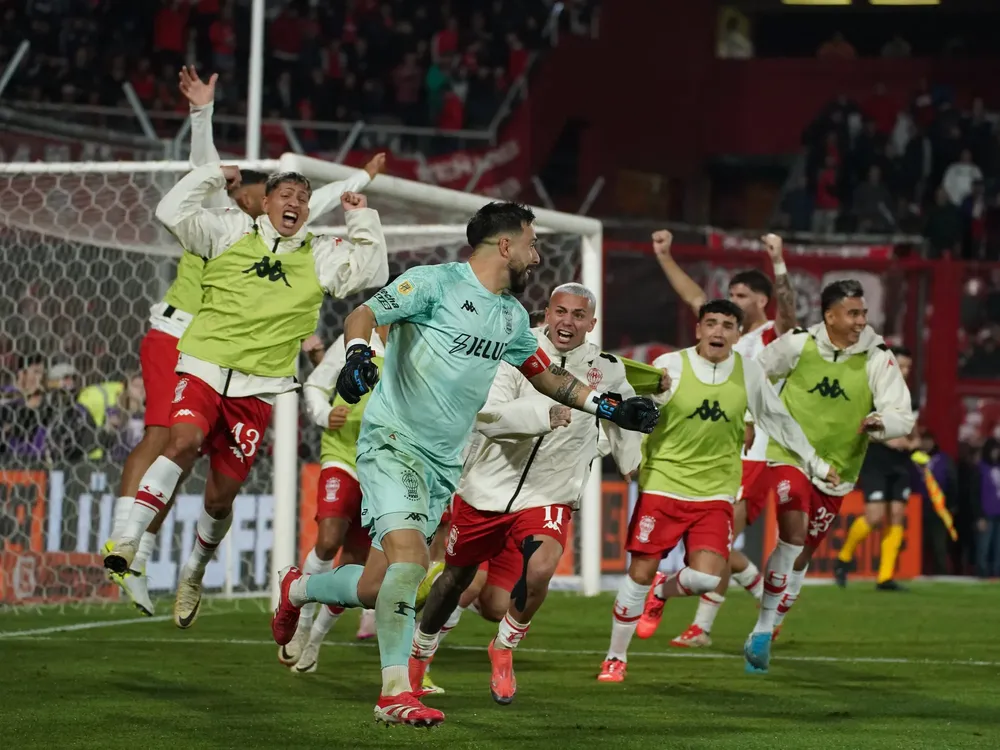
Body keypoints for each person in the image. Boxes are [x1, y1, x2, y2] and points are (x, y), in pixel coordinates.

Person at [269, 201, 659, 727]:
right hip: (393, 444)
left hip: (443, 464)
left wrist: (609, 407)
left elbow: (548, 377)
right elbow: (364, 314)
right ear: (506, 245)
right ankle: (394, 694)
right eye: (532, 244)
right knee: (411, 565)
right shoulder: (434, 284)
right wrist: (358, 354)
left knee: (375, 587)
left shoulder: (511, 315)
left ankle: (297, 588)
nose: (536, 256)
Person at [103, 66, 384, 618]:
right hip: (190, 342)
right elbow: (201, 171)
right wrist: (202, 115)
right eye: (273, 192)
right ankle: (129, 544)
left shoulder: (305, 244)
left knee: (218, 492)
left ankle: (188, 567)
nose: (284, 201)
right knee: (171, 438)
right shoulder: (222, 222)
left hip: (256, 377)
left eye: (296, 197)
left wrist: (360, 187)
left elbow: (324, 206)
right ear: (254, 196)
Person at [408, 282, 657, 705]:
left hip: (549, 492)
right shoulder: (514, 351)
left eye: (578, 315)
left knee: (541, 570)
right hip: (487, 488)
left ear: (591, 323)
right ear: (547, 313)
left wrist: (629, 456)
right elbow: (489, 415)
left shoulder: (608, 369)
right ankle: (419, 654)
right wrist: (546, 413)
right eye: (560, 311)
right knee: (456, 582)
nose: (567, 321)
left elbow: (624, 412)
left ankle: (504, 647)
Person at [597, 300, 835, 683]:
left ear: (738, 335)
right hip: (664, 484)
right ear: (698, 330)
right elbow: (627, 408)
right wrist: (625, 458)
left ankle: (662, 592)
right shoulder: (669, 367)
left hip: (716, 493)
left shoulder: (749, 373)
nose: (718, 331)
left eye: (727, 325)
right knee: (640, 571)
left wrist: (817, 464)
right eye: (711, 323)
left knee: (707, 578)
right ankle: (615, 658)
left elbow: (779, 420)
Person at [743, 280, 915, 674]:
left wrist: (882, 422)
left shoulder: (877, 356)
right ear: (830, 316)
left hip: (839, 468)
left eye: (863, 313)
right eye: (853, 313)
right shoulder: (797, 344)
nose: (861, 321)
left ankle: (771, 622)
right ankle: (763, 629)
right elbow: (754, 374)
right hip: (789, 454)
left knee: (802, 553)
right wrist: (751, 417)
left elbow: (901, 414)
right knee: (793, 534)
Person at [652, 230, 797, 648]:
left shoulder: (770, 336)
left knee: (718, 541)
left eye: (742, 295)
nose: (733, 300)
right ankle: (761, 601)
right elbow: (695, 297)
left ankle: (704, 626)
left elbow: (789, 316)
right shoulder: (726, 333)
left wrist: (779, 262)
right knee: (714, 542)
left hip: (756, 451)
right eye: (731, 294)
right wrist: (665, 256)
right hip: (718, 447)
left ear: (762, 301)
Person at [279, 326, 389, 673]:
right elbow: (315, 385)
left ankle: (315, 641)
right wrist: (325, 414)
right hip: (341, 454)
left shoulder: (413, 347)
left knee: (354, 567)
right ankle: (301, 624)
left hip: (383, 466)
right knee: (328, 540)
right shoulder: (355, 341)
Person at [835, 347, 918, 591]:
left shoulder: (908, 397)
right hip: (875, 461)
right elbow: (857, 429)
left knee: (897, 515)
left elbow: (914, 432)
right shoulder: (872, 393)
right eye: (901, 366)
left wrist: (913, 443)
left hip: (900, 463)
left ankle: (885, 577)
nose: (905, 371)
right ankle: (843, 558)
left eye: (908, 367)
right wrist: (887, 439)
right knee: (874, 516)